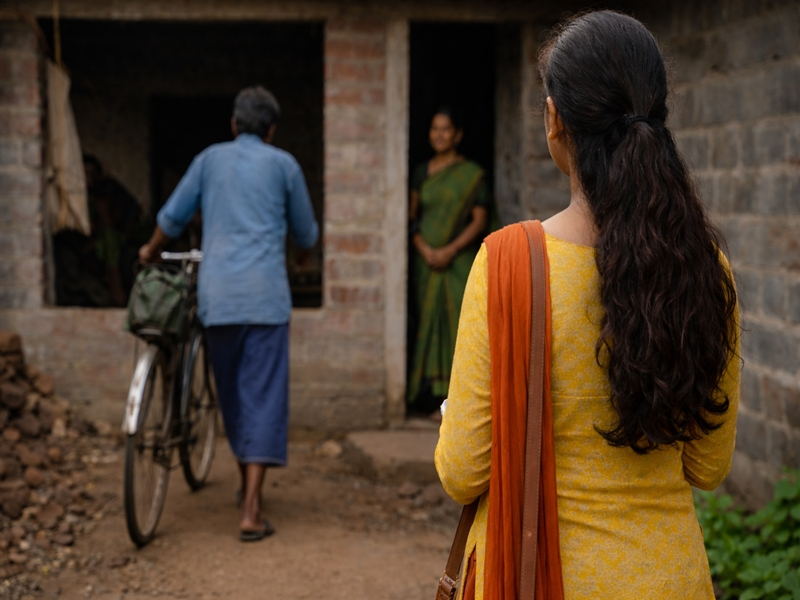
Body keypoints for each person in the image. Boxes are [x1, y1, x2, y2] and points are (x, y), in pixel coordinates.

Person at [435, 11, 740, 600]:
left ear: (555, 120)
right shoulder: (704, 268)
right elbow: (707, 468)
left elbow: (462, 471)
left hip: (541, 582)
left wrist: (457, 416)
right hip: (671, 579)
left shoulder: (508, 264)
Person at [139, 86, 319, 541]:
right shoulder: (284, 165)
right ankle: (251, 509)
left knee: (234, 398)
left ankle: (247, 489)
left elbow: (172, 217)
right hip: (265, 300)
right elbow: (305, 231)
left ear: (235, 125)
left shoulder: (208, 160)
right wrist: (300, 256)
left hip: (218, 299)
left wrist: (149, 250)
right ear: (272, 130)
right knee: (262, 396)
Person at [407, 106, 490, 417]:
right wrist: (424, 248)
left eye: (445, 129)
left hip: (456, 263)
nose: (439, 135)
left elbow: (479, 221)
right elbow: (412, 219)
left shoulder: (471, 176)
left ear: (458, 135)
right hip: (425, 262)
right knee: (425, 323)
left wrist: (449, 250)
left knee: (458, 326)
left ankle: (454, 401)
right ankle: (426, 397)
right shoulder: (420, 172)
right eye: (434, 129)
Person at [53, 156, 150, 307]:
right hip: (84, 250)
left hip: (112, 245)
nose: (89, 179)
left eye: (92, 174)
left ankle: (115, 281)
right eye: (85, 174)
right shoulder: (72, 198)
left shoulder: (110, 191)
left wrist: (106, 220)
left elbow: (124, 222)